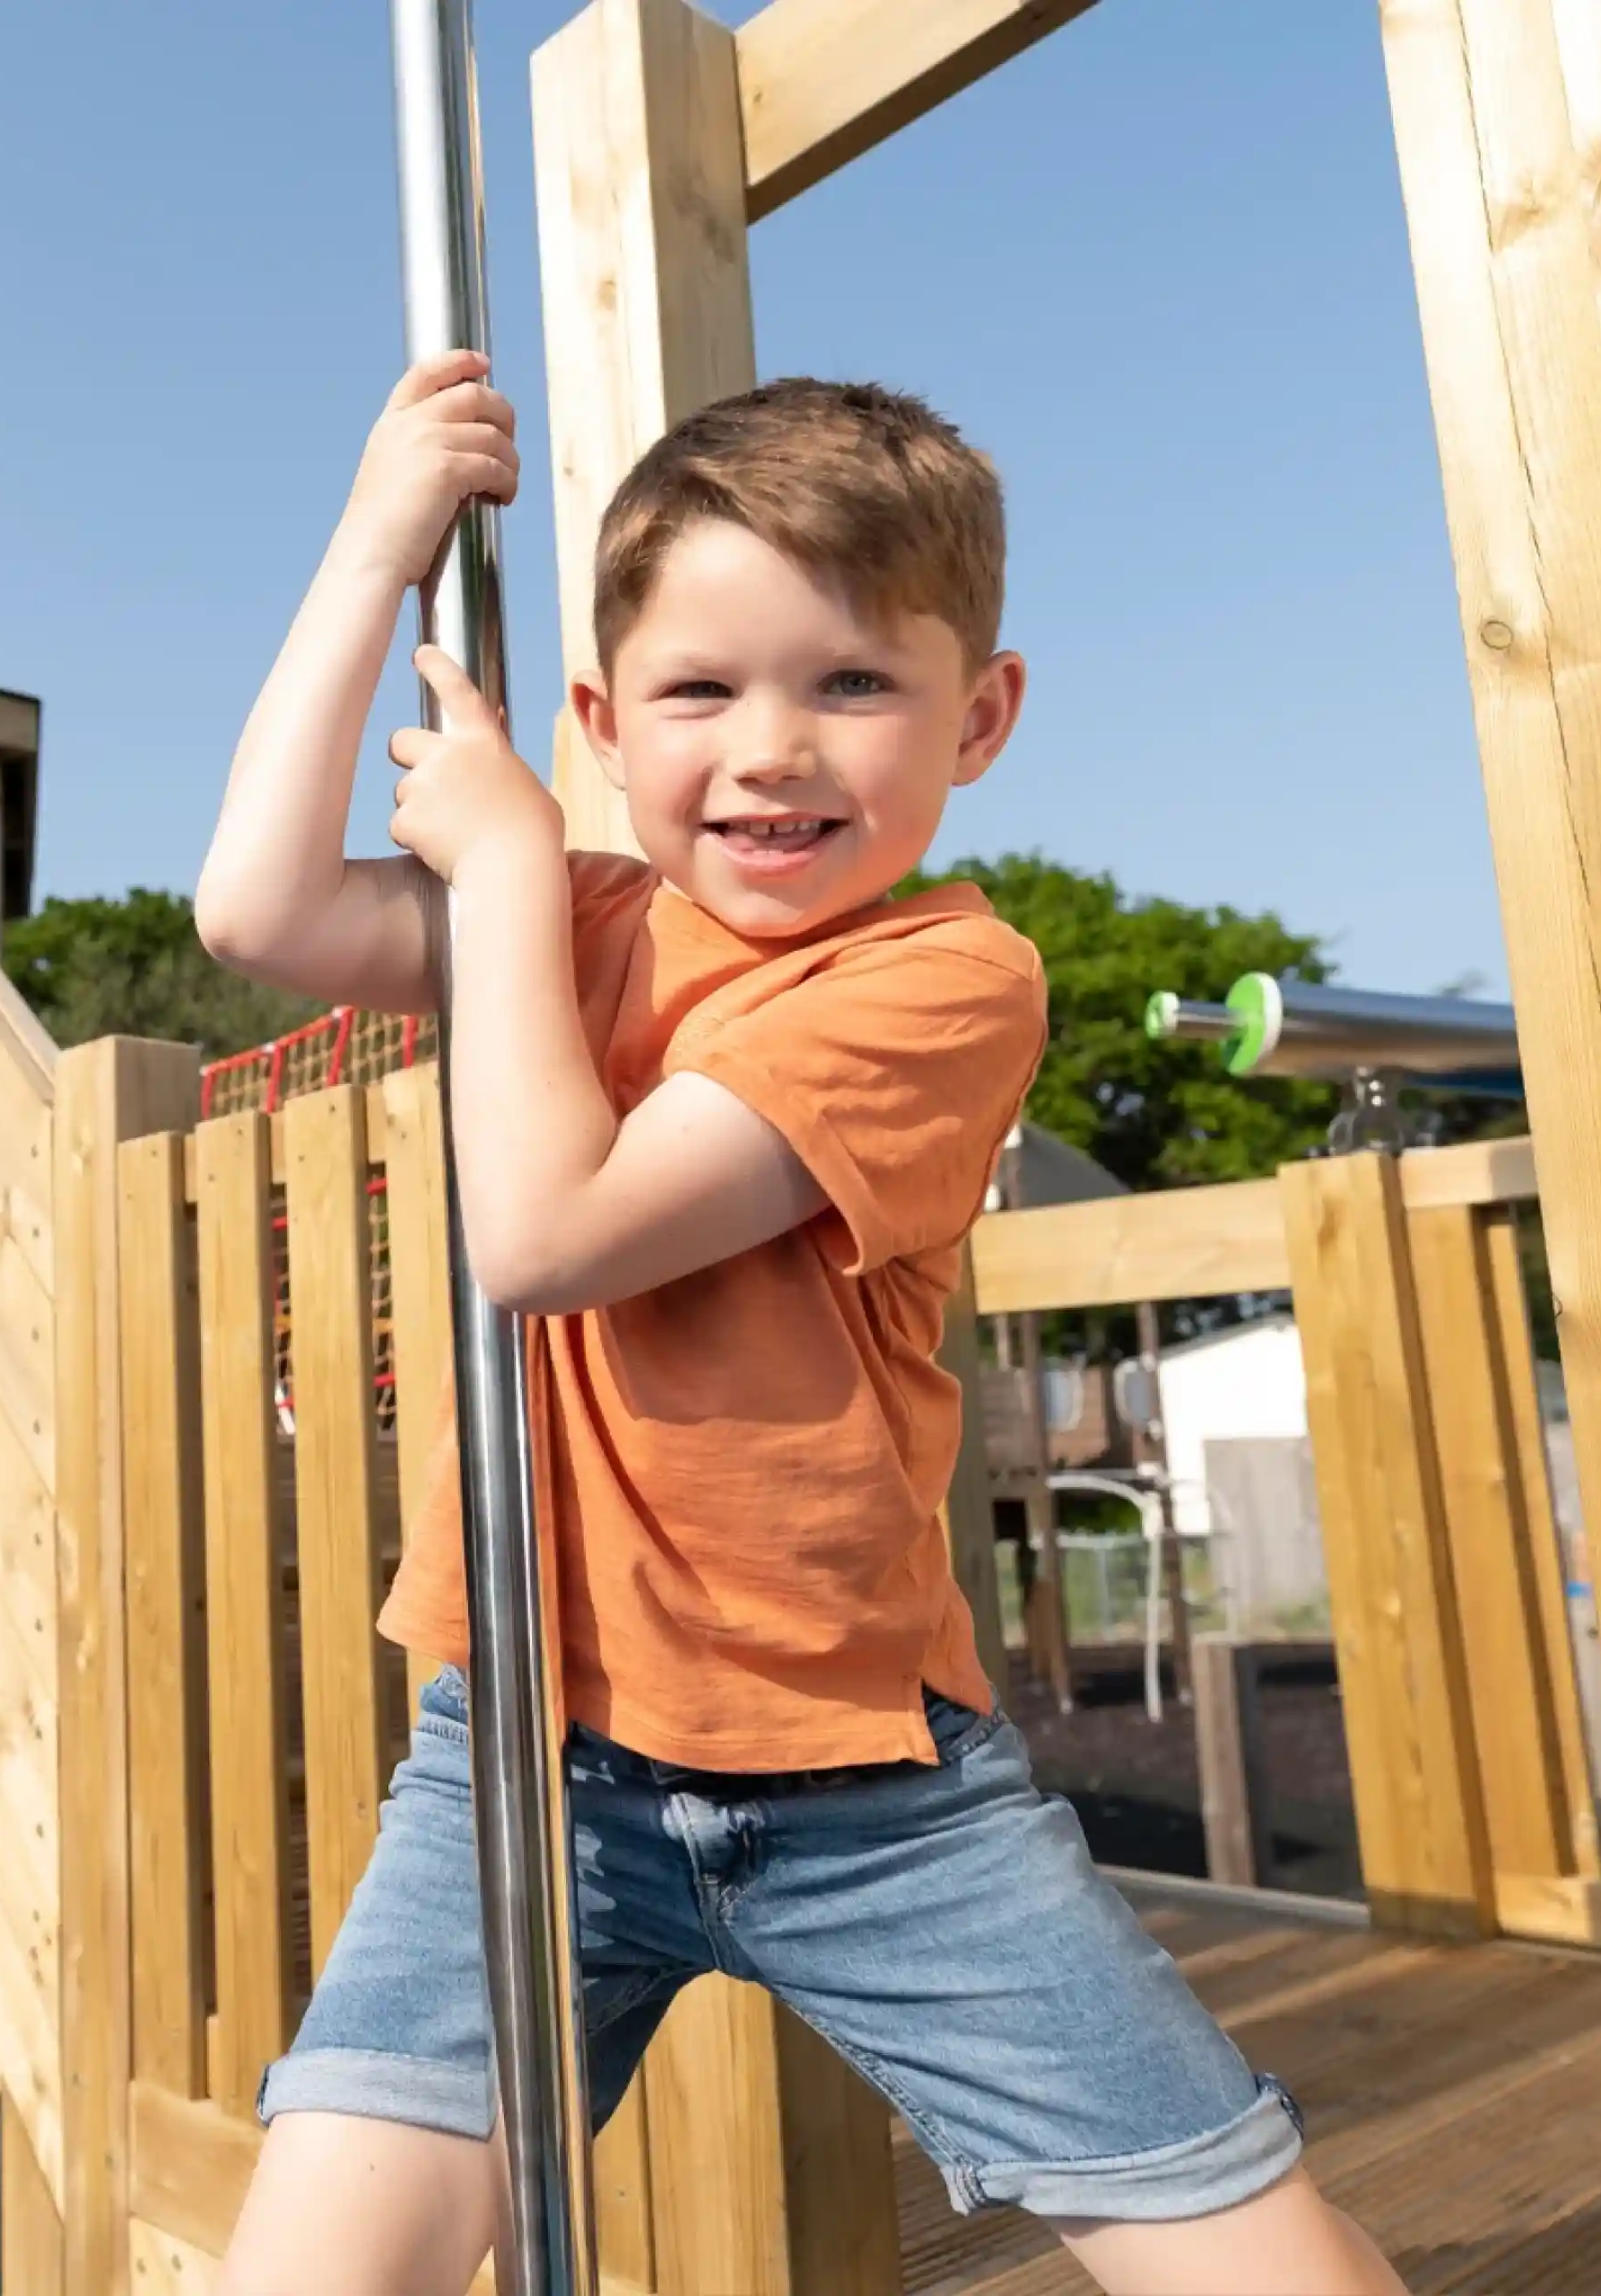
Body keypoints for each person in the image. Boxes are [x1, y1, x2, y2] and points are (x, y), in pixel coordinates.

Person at [193, 352, 1404, 2296]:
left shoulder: (944, 977)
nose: (771, 748)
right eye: (697, 689)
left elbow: (555, 1230)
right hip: (526, 1750)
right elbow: (254, 908)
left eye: (852, 682)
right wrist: (370, 550)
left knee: (1256, 2264)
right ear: (596, 716)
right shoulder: (574, 926)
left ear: (978, 713)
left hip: (867, 1787)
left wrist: (502, 865)